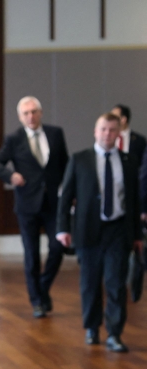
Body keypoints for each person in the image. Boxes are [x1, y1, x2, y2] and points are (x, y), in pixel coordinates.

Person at [56, 112, 141, 352]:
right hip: (88, 231)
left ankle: (114, 333)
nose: (107, 134)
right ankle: (92, 328)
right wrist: (62, 228)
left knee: (116, 283)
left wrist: (137, 236)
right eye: (103, 129)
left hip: (118, 230)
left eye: (112, 130)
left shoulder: (129, 161)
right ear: (95, 132)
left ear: (118, 134)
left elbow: (134, 201)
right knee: (90, 283)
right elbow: (66, 197)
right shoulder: (80, 159)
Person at [0, 96, 69, 318]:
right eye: (26, 113)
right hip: (27, 205)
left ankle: (43, 287)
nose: (30, 116)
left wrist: (70, 193)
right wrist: (11, 175)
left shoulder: (55, 133)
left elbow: (65, 164)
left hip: (53, 203)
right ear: (20, 117)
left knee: (58, 247)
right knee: (32, 255)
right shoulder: (14, 139)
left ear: (41, 113)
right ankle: (37, 301)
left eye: (34, 112)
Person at [111, 105, 146, 169]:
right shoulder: (109, 137)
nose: (111, 120)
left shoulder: (139, 140)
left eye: (114, 117)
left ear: (123, 119)